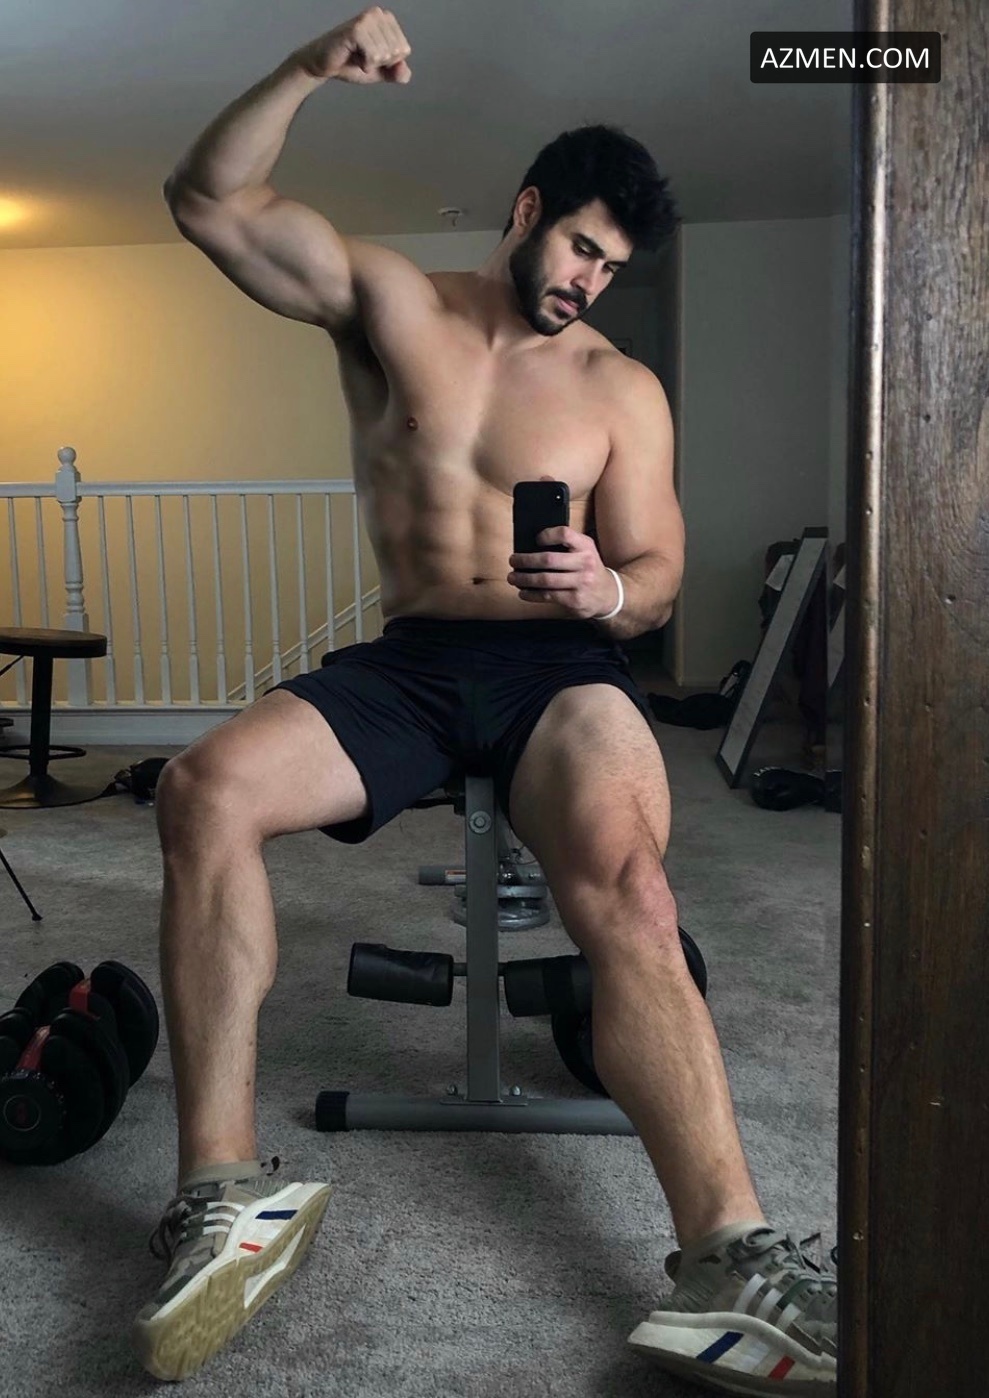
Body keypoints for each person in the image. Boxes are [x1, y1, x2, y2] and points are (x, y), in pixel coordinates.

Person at [137, 9, 837, 1393]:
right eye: (578, 246)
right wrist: (307, 68)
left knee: (629, 885)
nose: (587, 281)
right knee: (200, 789)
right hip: (406, 663)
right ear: (526, 209)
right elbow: (206, 200)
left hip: (557, 668)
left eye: (612, 267)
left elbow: (658, 577)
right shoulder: (394, 304)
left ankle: (728, 1251)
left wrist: (605, 591)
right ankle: (221, 1195)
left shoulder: (620, 389)